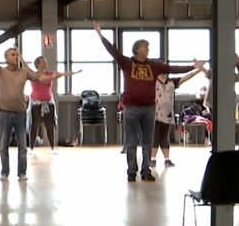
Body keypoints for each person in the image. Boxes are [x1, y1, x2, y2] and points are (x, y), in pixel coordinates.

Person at [95, 22, 203, 182]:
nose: (148, 49)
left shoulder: (154, 66)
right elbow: (113, 51)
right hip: (131, 107)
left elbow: (173, 69)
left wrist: (192, 67)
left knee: (147, 141)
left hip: (148, 108)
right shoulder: (127, 63)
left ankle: (146, 171)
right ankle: (131, 171)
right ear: (138, 49)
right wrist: (100, 34)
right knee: (131, 141)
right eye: (146, 47)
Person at [0, 39, 54, 181]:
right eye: (13, 55)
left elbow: (36, 77)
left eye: (17, 55)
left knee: (22, 146)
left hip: (20, 114)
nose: (15, 57)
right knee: (4, 145)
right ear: (6, 58)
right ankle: (5, 172)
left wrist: (32, 64)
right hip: (5, 113)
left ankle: (22, 172)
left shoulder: (24, 72)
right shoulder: (0, 71)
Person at [151, 68, 203, 168]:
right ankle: (153, 159)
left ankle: (167, 159)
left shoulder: (171, 82)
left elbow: (185, 78)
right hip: (155, 114)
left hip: (167, 114)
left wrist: (197, 70)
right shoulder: (152, 82)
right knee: (155, 136)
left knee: (164, 136)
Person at [28, 56, 78, 151]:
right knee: (34, 125)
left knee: (50, 125)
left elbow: (62, 74)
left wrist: (71, 73)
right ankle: (31, 148)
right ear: (38, 64)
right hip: (36, 103)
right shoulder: (33, 75)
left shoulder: (50, 73)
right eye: (43, 62)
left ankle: (52, 147)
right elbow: (25, 66)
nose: (45, 63)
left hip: (48, 103)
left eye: (45, 61)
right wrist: (20, 56)